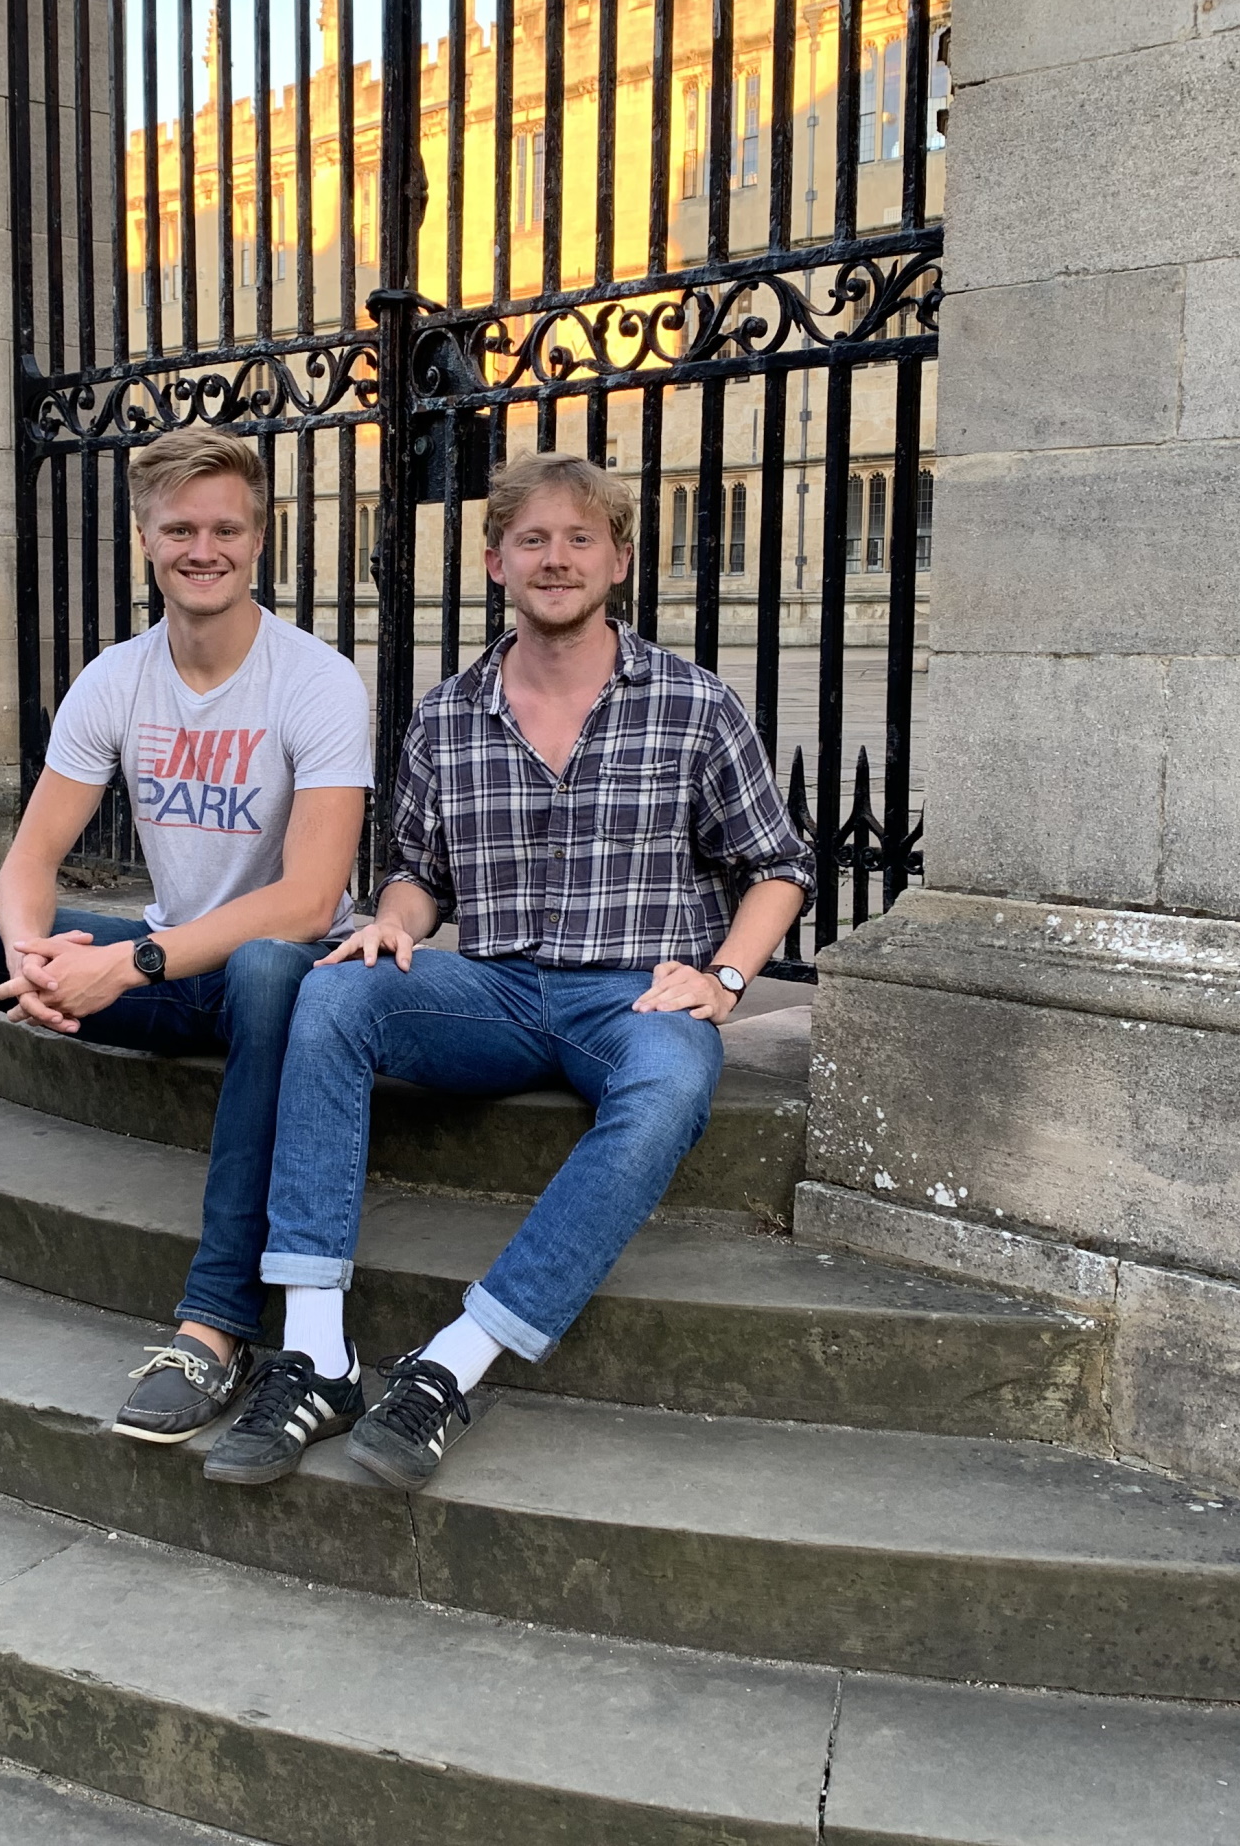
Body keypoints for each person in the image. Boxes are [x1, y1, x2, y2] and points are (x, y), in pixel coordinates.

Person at [200, 450, 813, 1491]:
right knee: (334, 989)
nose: (556, 558)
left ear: (619, 557)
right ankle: (316, 1349)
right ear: (494, 560)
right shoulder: (449, 713)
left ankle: (451, 1364)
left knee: (671, 1078)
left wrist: (726, 979)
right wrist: (392, 922)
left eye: (581, 538)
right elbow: (418, 873)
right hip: (489, 990)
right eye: (532, 538)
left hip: (634, 991)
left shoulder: (693, 704)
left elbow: (778, 866)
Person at [0, 428, 372, 1452]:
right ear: (145, 539)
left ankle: (213, 1328)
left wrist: (121, 964)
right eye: (179, 528)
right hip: (174, 960)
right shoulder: (117, 679)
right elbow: (28, 861)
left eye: (225, 527)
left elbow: (309, 902)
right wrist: (33, 961)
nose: (202, 547)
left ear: (258, 540)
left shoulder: (315, 680)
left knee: (269, 967)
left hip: (284, 984)